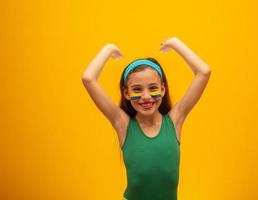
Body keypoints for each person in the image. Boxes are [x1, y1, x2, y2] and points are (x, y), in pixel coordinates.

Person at [81, 37, 212, 200]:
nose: (146, 96)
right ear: (126, 93)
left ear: (163, 89)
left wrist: (175, 43)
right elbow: (88, 78)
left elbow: (204, 72)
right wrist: (109, 49)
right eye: (137, 89)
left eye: (153, 88)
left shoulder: (175, 121)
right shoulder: (123, 124)